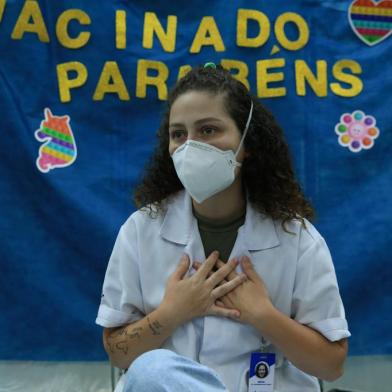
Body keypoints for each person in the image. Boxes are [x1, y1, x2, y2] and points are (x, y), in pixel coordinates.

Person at [96, 63, 350, 392]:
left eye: (208, 130)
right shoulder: (140, 231)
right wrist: (172, 313)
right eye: (178, 134)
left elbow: (331, 366)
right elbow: (119, 354)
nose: (189, 146)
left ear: (246, 142)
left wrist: (263, 315)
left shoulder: (297, 238)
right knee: (151, 369)